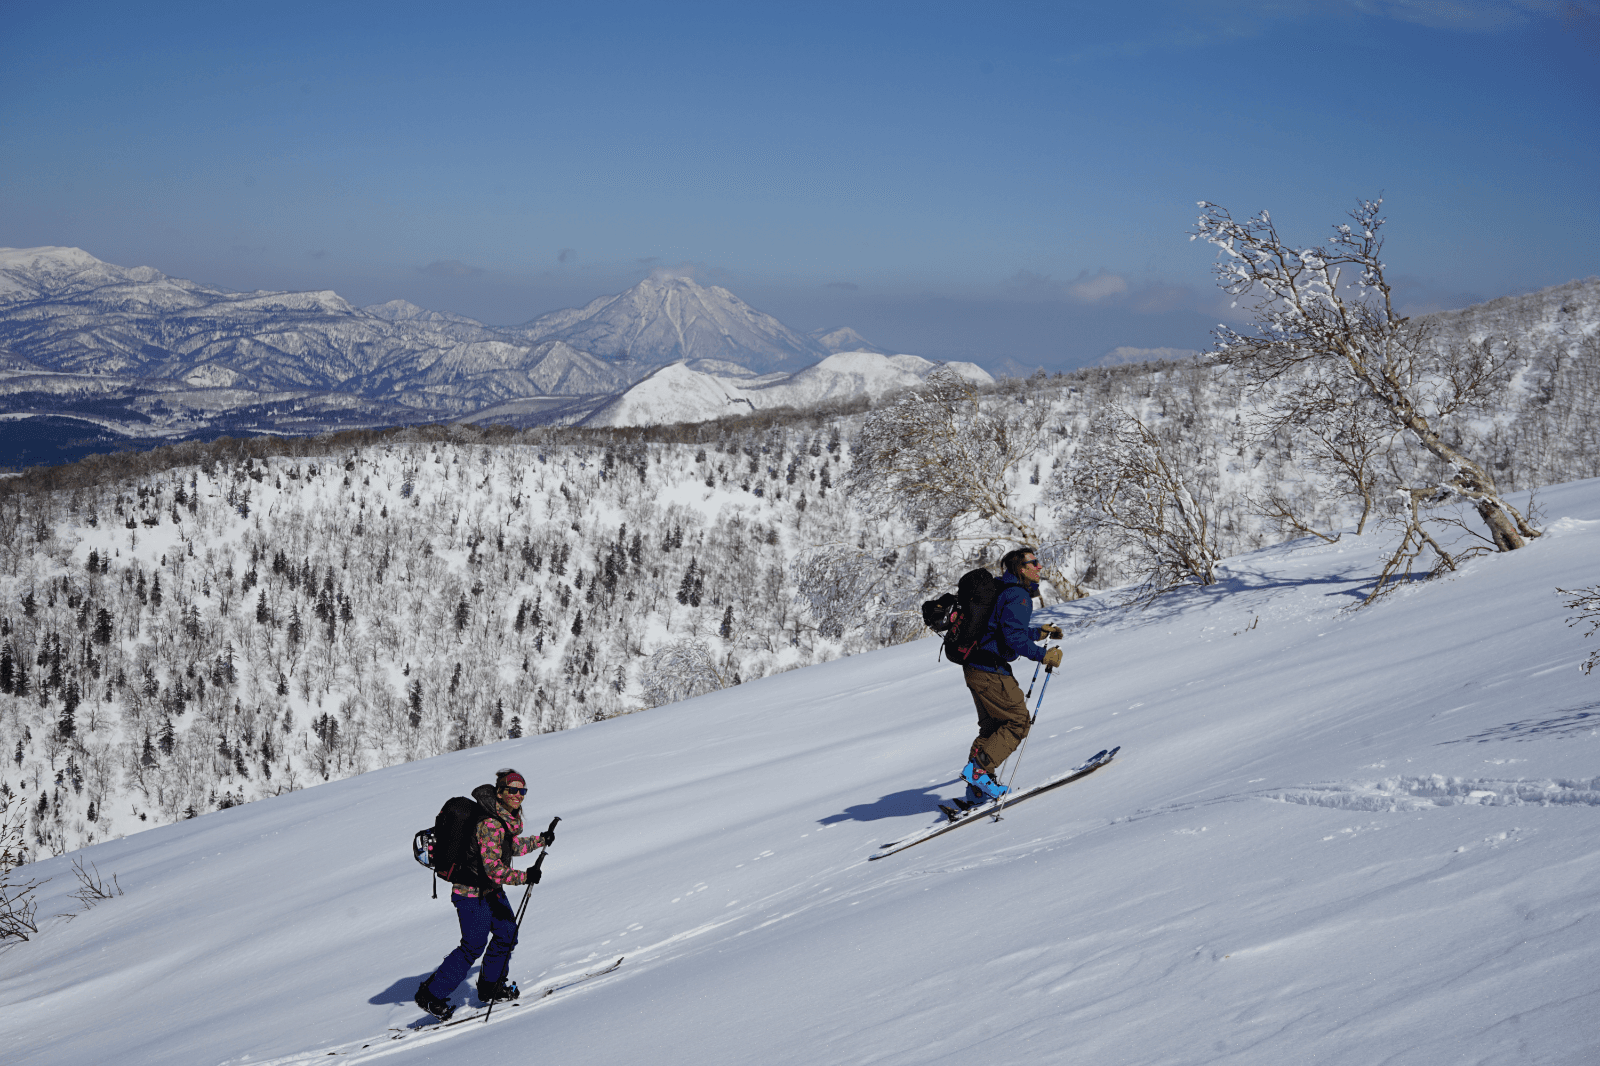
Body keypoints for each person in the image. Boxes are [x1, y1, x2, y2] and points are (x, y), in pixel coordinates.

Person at [414, 768, 554, 1021]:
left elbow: (508, 847)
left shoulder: (502, 819)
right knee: (473, 945)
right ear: (499, 792)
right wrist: (525, 877)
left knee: (507, 933)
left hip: (489, 891)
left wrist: (540, 840)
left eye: (522, 790)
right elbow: (495, 870)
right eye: (512, 789)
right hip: (470, 893)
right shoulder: (490, 822)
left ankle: (491, 987)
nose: (518, 795)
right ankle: (431, 995)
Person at [959, 548, 1063, 803]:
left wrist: (1038, 632)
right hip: (991, 670)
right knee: (1018, 722)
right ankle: (978, 771)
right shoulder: (1018, 595)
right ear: (1021, 569)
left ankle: (977, 787)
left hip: (974, 666)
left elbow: (1002, 628)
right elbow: (1012, 637)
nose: (1039, 567)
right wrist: (1042, 655)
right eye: (1034, 563)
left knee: (993, 727)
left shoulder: (1001, 588)